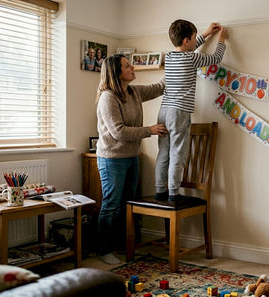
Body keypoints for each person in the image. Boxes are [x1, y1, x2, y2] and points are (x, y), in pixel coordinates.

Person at [95, 54, 168, 264]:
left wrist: (177, 63)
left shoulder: (134, 92)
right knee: (111, 205)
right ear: (116, 73)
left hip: (132, 157)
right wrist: (150, 130)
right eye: (127, 66)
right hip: (112, 159)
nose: (132, 67)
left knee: (127, 204)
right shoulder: (108, 97)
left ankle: (121, 246)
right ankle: (104, 250)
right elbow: (118, 132)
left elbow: (159, 87)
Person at [154, 20, 228, 202]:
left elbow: (191, 46)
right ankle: (173, 193)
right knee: (177, 153)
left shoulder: (170, 57)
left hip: (163, 111)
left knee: (163, 153)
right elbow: (215, 59)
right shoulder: (192, 58)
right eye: (195, 38)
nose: (197, 41)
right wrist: (221, 41)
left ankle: (159, 190)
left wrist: (206, 33)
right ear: (187, 40)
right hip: (179, 112)